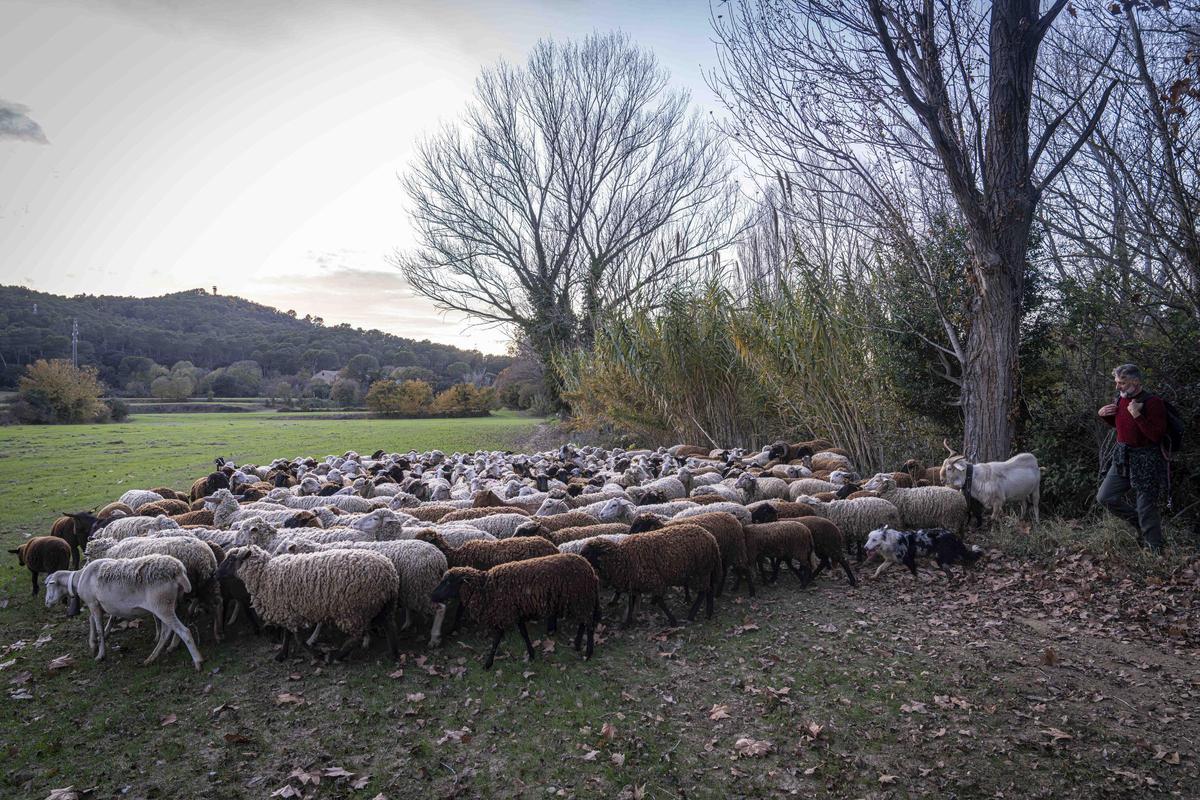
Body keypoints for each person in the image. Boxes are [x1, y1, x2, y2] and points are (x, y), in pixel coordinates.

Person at [1096, 364, 1168, 551]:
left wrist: (1137, 413)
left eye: (1122, 382)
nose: (1118, 386)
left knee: (1146, 507)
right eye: (1117, 382)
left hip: (1146, 459)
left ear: (1136, 381)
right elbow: (1123, 427)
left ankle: (1156, 551)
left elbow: (1156, 435)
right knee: (1105, 497)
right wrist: (1105, 416)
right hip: (1123, 456)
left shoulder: (1153, 402)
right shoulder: (1121, 399)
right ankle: (1140, 523)